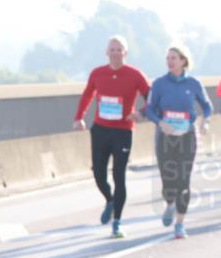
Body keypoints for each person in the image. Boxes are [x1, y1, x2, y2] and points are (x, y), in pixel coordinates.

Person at [73, 36, 151, 238]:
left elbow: (151, 97)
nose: (116, 53)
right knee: (98, 174)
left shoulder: (135, 75)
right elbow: (87, 95)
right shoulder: (97, 73)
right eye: (112, 49)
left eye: (120, 50)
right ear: (106, 52)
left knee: (119, 175)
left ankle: (117, 221)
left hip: (123, 131)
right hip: (100, 129)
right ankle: (109, 199)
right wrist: (79, 117)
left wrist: (141, 113)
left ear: (125, 53)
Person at [144, 45, 213, 239]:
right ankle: (170, 203)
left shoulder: (194, 84)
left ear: (183, 61)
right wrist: (160, 122)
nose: (169, 61)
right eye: (168, 58)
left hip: (187, 136)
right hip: (165, 136)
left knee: (183, 180)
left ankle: (180, 224)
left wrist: (205, 122)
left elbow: (207, 106)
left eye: (173, 58)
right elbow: (149, 109)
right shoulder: (158, 84)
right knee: (167, 177)